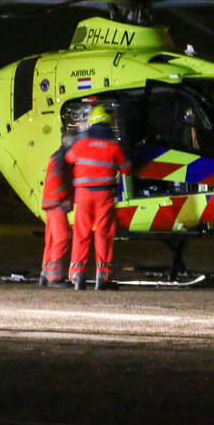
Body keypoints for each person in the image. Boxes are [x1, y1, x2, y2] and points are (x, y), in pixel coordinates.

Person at [65, 105, 131, 290]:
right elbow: (126, 169)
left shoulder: (82, 142)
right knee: (104, 235)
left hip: (83, 195)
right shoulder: (114, 145)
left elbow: (69, 157)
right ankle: (102, 279)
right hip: (104, 195)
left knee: (81, 234)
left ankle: (77, 278)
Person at [39, 135, 74, 288]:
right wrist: (65, 199)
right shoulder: (63, 158)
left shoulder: (57, 156)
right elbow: (58, 180)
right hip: (56, 203)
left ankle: (45, 274)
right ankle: (54, 277)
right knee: (62, 238)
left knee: (52, 240)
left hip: (50, 202)